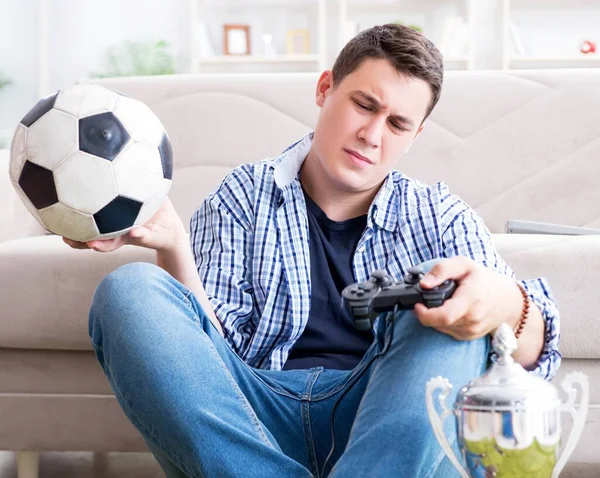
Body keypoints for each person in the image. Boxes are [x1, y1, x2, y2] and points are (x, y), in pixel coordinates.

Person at [65, 24, 560, 478]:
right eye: (364, 105)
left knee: (447, 290)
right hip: (254, 416)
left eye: (397, 124)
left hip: (386, 421)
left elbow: (535, 358)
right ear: (326, 89)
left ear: (415, 135)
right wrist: (173, 245)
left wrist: (505, 302)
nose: (372, 135)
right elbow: (213, 366)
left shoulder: (440, 216)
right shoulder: (243, 196)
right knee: (129, 288)